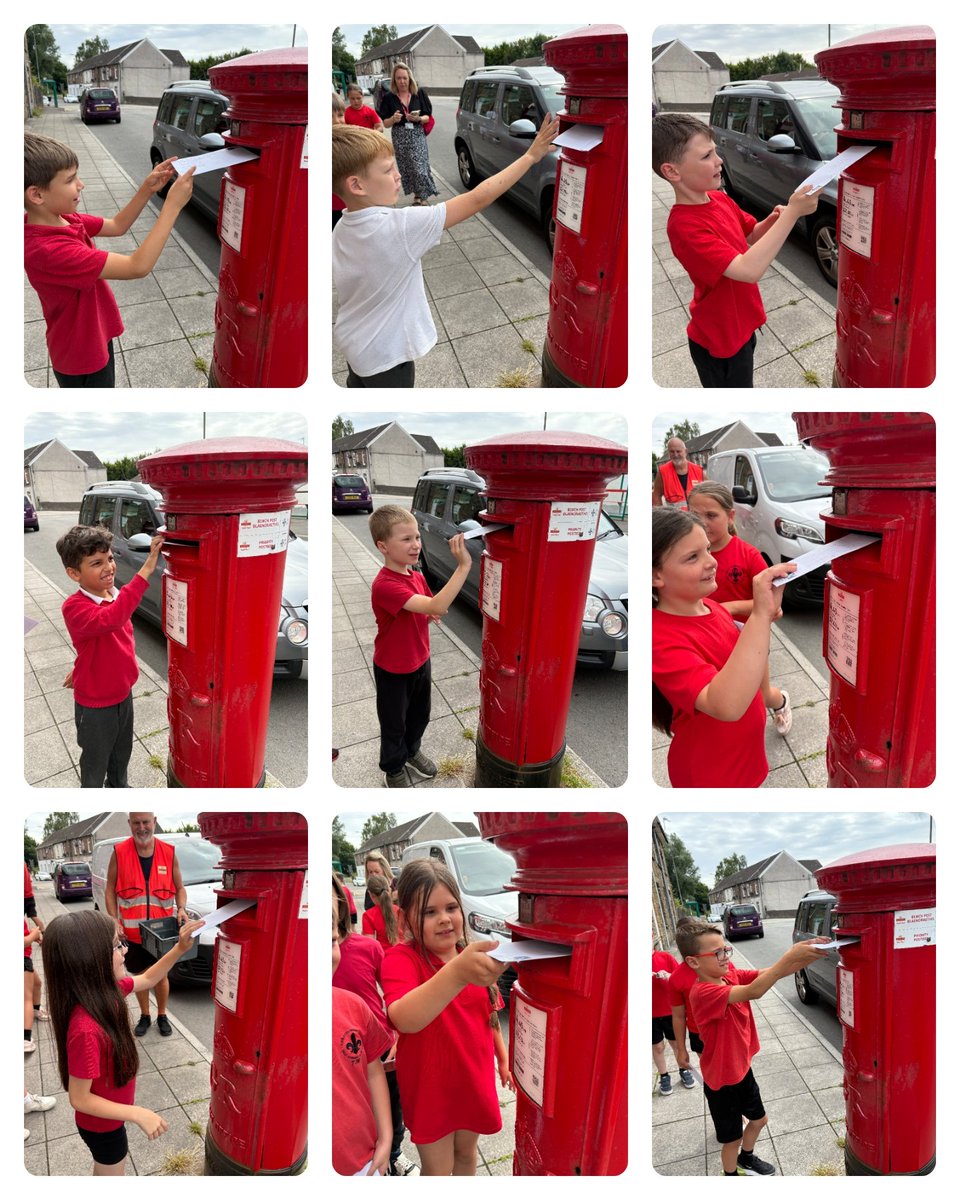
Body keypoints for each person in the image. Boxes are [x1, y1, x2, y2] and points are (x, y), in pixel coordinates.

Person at [332, 111, 559, 387]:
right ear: (356, 185)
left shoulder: (342, 228)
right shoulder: (401, 227)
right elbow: (477, 198)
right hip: (388, 358)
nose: (398, 174)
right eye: (388, 169)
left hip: (355, 348)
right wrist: (531, 156)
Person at [653, 113, 819, 388]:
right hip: (719, 340)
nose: (719, 161)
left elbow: (751, 235)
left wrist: (774, 220)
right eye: (706, 156)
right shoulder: (684, 226)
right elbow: (747, 269)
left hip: (742, 326)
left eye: (715, 152)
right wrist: (793, 215)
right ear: (672, 171)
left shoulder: (719, 198)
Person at [24, 132, 195, 387]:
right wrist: (172, 206)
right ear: (37, 195)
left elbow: (117, 225)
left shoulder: (64, 218)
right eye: (71, 180)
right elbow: (137, 266)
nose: (81, 185)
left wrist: (147, 189)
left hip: (94, 335)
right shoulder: (47, 250)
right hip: (81, 355)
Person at [42, 909, 203, 1175]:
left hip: (111, 1118)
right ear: (90, 960)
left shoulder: (108, 991)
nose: (125, 951)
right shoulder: (85, 1029)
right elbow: (79, 1099)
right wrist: (137, 1113)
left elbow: (150, 978)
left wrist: (179, 947)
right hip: (101, 1126)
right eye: (117, 946)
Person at [381, 859, 510, 1176]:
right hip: (430, 1089)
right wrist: (457, 972)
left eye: (451, 907)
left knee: (467, 1158)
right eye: (429, 912)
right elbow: (404, 1018)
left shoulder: (469, 956)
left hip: (472, 1077)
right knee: (438, 1170)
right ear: (405, 917)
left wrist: (504, 1060)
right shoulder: (401, 959)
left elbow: (490, 1018)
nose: (444, 919)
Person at [652, 507, 795, 787]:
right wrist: (760, 615)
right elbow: (726, 704)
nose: (711, 561)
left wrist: (761, 612)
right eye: (693, 557)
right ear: (656, 575)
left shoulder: (711, 607)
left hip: (745, 757)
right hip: (711, 773)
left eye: (706, 549)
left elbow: (746, 666)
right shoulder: (657, 638)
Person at [679, 922, 829, 1175]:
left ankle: (746, 1158)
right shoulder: (703, 992)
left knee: (760, 1120)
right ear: (694, 962)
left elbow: (768, 973)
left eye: (726, 949)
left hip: (742, 1070)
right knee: (731, 1139)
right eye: (718, 953)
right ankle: (730, 1174)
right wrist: (789, 958)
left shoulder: (728, 974)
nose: (726, 957)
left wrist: (801, 958)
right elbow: (754, 991)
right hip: (722, 1081)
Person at [368, 505, 472, 787]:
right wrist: (463, 565)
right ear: (383, 546)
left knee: (419, 715)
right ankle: (393, 768)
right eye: (406, 539)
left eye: (416, 537)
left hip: (420, 660)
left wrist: (430, 611)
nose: (415, 545)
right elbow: (436, 604)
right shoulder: (385, 585)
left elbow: (430, 607)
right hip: (392, 668)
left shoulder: (416, 576)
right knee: (394, 724)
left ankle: (412, 751)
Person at [56, 526, 165, 788]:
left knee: (121, 753)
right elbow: (112, 619)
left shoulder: (112, 593)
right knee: (95, 760)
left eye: (110, 559)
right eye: (96, 563)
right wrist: (148, 565)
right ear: (74, 573)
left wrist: (82, 665)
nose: (109, 568)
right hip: (96, 706)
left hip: (122, 694)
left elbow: (101, 642)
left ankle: (119, 788)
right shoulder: (74, 606)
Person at [687, 482, 792, 734]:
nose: (702, 523)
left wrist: (730, 607)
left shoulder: (748, 554)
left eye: (711, 515)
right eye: (694, 515)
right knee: (722, 691)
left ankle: (781, 702)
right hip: (708, 635)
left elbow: (772, 604)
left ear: (730, 516)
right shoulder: (686, 555)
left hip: (748, 635)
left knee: (761, 695)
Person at [333, 877, 417, 1176]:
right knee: (356, 1103)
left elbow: (394, 992)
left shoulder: (367, 948)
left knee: (392, 1106)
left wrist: (398, 1033)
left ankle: (393, 1152)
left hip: (378, 1040)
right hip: (343, 1045)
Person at [104, 814, 188, 1037]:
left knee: (160, 977)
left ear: (154, 821)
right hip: (132, 934)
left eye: (146, 822)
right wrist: (113, 918)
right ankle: (145, 1015)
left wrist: (180, 908)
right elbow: (110, 889)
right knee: (139, 975)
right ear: (130, 824)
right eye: (137, 823)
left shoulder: (169, 853)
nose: (142, 828)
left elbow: (180, 888)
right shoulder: (119, 852)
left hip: (160, 934)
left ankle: (162, 1015)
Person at [333, 897, 393, 1175]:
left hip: (363, 1160)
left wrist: (387, 1138)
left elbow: (374, 1072)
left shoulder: (353, 1005)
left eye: (331, 941)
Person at [377, 64, 435, 205]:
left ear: (409, 78)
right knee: (408, 167)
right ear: (394, 80)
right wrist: (393, 119)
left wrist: (419, 119)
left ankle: (424, 195)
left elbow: (428, 116)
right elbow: (385, 123)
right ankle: (417, 195)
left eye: (404, 78)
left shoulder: (419, 93)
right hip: (400, 135)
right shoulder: (389, 98)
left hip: (416, 134)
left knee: (419, 166)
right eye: (398, 78)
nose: (402, 81)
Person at [652, 929, 695, 1095]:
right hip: (649, 1014)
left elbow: (679, 978)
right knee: (657, 1047)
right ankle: (664, 1075)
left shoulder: (665, 957)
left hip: (670, 1010)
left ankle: (683, 1070)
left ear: (653, 936)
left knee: (676, 1044)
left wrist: (668, 975)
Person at [653, 437, 704, 508]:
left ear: (685, 451)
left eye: (678, 451)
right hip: (675, 518)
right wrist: (661, 516)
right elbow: (656, 496)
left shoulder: (698, 471)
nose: (675, 454)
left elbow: (710, 493)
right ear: (668, 453)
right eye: (672, 451)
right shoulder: (663, 473)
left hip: (696, 518)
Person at [363, 874, 400, 947]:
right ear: (389, 890)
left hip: (383, 956)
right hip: (401, 954)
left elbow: (370, 945)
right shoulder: (399, 910)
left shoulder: (368, 915)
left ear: (370, 894)